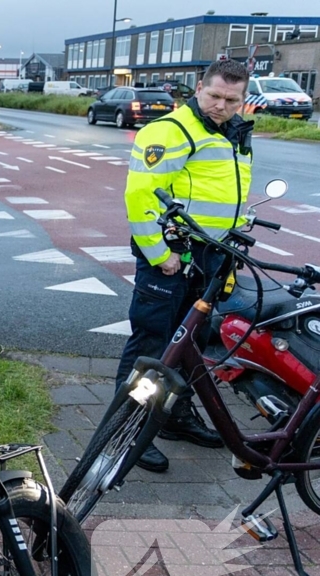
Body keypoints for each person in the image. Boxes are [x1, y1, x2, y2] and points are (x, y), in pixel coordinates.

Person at [118, 58, 253, 473]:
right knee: (153, 344)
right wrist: (161, 255)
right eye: (214, 95)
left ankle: (176, 415)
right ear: (198, 88)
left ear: (243, 99)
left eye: (232, 99)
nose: (221, 105)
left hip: (211, 258)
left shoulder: (234, 133)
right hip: (172, 258)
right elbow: (139, 198)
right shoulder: (168, 132)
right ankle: (126, 433)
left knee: (192, 346)